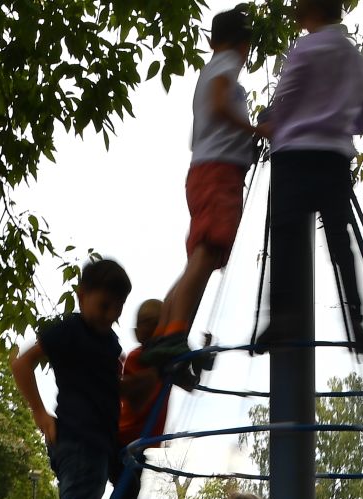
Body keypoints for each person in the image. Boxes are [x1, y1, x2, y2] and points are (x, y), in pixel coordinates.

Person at [10, 257, 132, 499]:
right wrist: (40, 414)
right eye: (104, 305)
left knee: (131, 474)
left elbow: (113, 387)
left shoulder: (110, 343)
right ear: (82, 297)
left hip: (104, 441)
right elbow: (22, 363)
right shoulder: (69, 330)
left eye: (117, 308)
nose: (110, 314)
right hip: (77, 440)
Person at [255, 0, 363, 355]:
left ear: (311, 12)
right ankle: (357, 321)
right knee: (341, 240)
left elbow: (286, 97)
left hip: (294, 156)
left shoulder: (305, 49)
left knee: (285, 236)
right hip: (334, 158)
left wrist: (270, 124)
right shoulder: (355, 57)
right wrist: (341, 124)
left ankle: (281, 316)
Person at [147, 5, 259, 366]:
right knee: (207, 253)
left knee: (201, 258)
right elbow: (219, 102)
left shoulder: (213, 67)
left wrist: (246, 143)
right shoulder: (225, 66)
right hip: (218, 173)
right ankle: (175, 334)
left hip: (209, 171)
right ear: (244, 45)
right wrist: (257, 130)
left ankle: (165, 334)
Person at [99, 298, 173, 499]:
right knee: (128, 485)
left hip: (140, 442)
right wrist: (159, 370)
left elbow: (189, 380)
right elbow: (128, 391)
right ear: (140, 331)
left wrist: (201, 358)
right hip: (123, 437)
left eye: (159, 325)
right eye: (149, 325)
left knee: (130, 487)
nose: (155, 332)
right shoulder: (138, 357)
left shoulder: (166, 360)